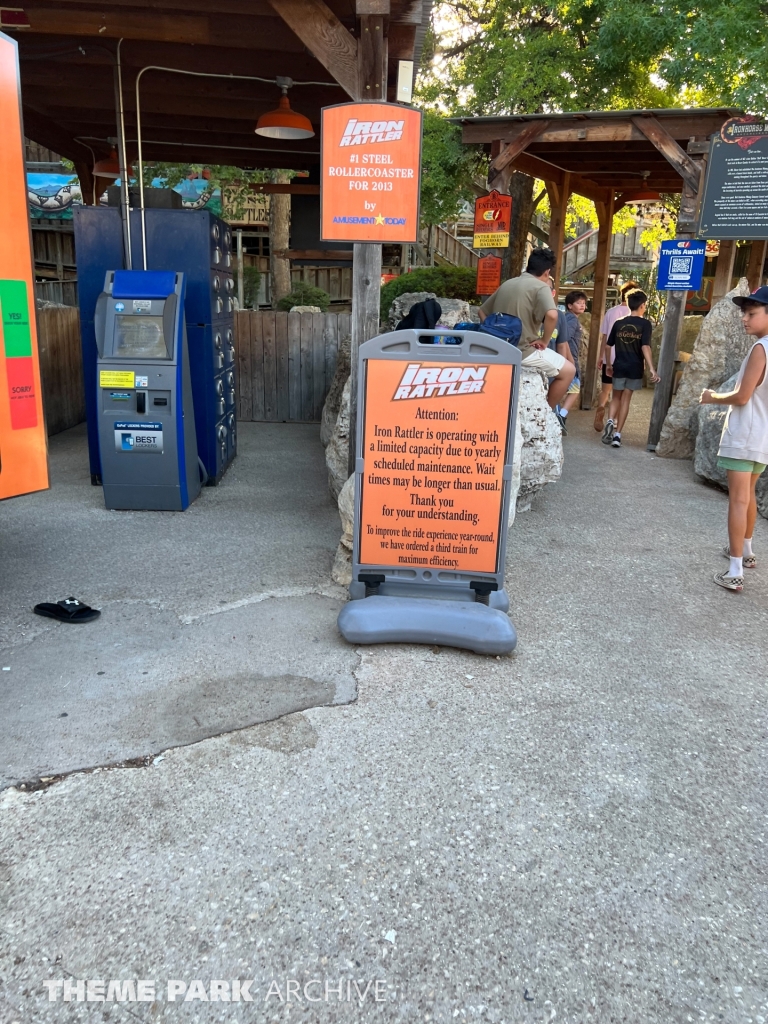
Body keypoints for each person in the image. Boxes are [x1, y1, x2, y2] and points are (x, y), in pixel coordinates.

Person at [700, 287, 768, 592]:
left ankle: (735, 569)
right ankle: (748, 552)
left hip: (744, 433)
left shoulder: (760, 349)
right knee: (749, 495)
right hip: (762, 434)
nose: (745, 318)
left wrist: (710, 396)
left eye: (752, 313)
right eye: (745, 312)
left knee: (738, 500)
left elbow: (742, 396)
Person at [478, 247, 576, 410]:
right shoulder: (541, 287)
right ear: (547, 272)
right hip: (522, 350)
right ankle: (547, 412)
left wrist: (494, 333)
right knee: (569, 371)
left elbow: (482, 311)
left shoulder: (508, 283)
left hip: (495, 347)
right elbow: (552, 315)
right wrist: (544, 341)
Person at [601, 288, 659, 448]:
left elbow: (608, 346)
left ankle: (611, 419)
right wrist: (652, 369)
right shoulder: (645, 324)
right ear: (641, 305)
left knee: (616, 397)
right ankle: (617, 435)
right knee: (626, 399)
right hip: (634, 367)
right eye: (645, 305)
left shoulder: (619, 323)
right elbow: (645, 346)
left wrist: (609, 364)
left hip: (618, 365)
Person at [594, 281, 639, 432]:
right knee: (619, 393)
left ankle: (600, 408)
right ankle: (613, 420)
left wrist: (601, 357)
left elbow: (605, 337)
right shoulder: (635, 315)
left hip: (609, 356)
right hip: (625, 358)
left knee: (606, 390)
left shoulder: (610, 312)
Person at [556, 290, 588, 428]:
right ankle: (561, 415)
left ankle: (559, 413)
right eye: (578, 303)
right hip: (569, 359)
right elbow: (565, 340)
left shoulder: (567, 318)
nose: (582, 305)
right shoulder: (572, 319)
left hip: (569, 358)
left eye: (584, 303)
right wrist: (570, 361)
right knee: (574, 388)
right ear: (569, 305)